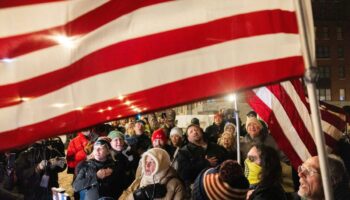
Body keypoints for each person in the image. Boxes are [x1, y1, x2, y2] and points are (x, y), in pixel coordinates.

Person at [176, 123, 227, 197]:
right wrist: (205, 163)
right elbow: (183, 173)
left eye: (196, 130)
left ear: (201, 132)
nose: (194, 132)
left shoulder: (216, 147)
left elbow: (226, 163)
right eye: (191, 131)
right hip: (195, 192)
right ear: (188, 138)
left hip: (218, 190)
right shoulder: (183, 152)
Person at [119, 148, 185, 200]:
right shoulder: (141, 178)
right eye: (146, 161)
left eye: (152, 162)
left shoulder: (176, 185)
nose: (147, 165)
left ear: (162, 164)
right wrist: (138, 195)